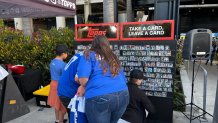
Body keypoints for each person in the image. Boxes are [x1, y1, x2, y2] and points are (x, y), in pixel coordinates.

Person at [76, 35, 129, 123]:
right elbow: (122, 77)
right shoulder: (113, 56)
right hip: (123, 94)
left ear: (93, 44)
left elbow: (83, 79)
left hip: (99, 97)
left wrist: (85, 86)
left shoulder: (88, 54)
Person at [57, 52, 83, 122]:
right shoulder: (85, 59)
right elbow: (78, 79)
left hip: (63, 89)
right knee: (75, 117)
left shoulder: (79, 54)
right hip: (68, 92)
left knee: (72, 115)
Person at [47, 44, 68, 123]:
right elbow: (65, 78)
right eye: (67, 53)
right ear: (63, 54)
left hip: (53, 84)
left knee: (56, 105)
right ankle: (61, 121)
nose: (67, 55)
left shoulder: (52, 62)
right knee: (61, 106)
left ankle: (57, 120)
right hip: (60, 86)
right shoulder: (63, 65)